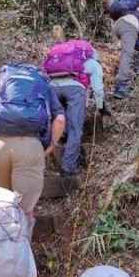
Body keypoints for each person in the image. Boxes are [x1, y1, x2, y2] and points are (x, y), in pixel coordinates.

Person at [0, 63, 65, 233]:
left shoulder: (4, 86)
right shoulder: (44, 85)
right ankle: (19, 255)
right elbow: (60, 119)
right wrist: (51, 146)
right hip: (29, 147)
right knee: (24, 213)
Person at [43, 36, 106, 176]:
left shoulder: (60, 59)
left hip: (51, 87)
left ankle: (43, 164)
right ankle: (68, 167)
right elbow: (98, 88)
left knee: (53, 124)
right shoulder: (91, 62)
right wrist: (101, 106)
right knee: (75, 129)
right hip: (74, 90)